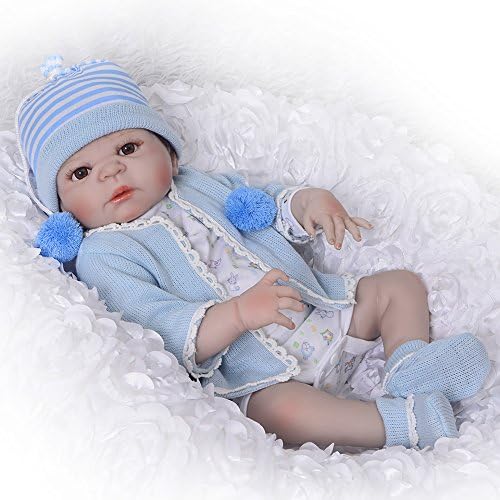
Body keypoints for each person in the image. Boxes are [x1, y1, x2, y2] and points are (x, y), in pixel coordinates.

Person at [16, 55, 491, 451]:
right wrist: (241, 313)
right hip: (260, 375)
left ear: (170, 155)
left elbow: (260, 207)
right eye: (80, 173)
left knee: (398, 285)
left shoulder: (198, 186)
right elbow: (161, 328)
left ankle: (410, 365)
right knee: (283, 416)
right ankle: (404, 422)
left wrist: (306, 203)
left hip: (325, 314)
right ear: (62, 212)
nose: (111, 171)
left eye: (128, 147)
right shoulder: (104, 255)